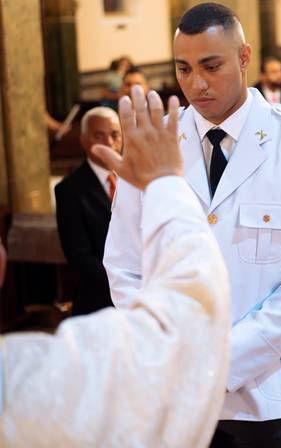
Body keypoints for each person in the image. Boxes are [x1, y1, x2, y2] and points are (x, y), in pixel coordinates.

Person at [105, 2, 281, 448]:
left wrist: (222, 360)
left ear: (244, 56)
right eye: (184, 69)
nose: (197, 83)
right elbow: (123, 264)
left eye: (211, 66)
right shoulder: (154, 144)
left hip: (266, 391)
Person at [1, 86, 230, 447]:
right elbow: (191, 320)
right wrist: (165, 182)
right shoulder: (32, 383)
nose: (108, 141)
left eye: (113, 134)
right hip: (106, 299)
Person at [55, 107, 122, 315]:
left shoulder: (136, 181)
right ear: (84, 141)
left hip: (143, 298)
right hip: (98, 303)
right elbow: (80, 258)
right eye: (99, 136)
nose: (109, 142)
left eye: (114, 134)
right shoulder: (69, 190)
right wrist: (126, 283)